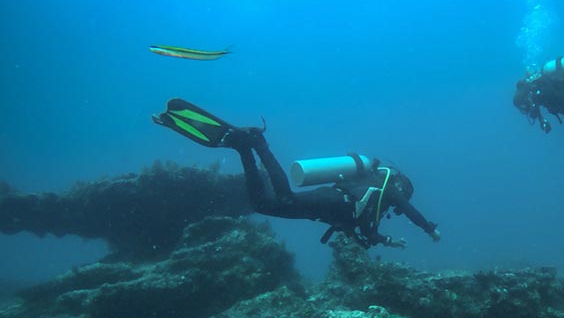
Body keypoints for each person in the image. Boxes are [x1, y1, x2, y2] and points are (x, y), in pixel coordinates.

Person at [153, 99, 440, 249]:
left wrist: (389, 242)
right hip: (334, 202)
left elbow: (367, 231)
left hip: (328, 209)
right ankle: (260, 145)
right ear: (402, 186)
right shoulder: (387, 189)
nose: (397, 208)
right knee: (286, 198)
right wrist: (429, 229)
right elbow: (407, 209)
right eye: (404, 195)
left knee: (262, 204)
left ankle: (242, 149)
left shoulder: (377, 201)